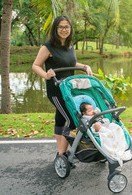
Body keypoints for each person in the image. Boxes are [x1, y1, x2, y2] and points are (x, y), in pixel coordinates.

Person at [32, 15, 93, 158]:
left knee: (60, 119)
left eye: (67, 27)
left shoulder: (70, 45)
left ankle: (61, 152)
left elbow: (70, 64)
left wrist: (84, 66)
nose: (64, 30)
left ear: (70, 28)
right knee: (72, 119)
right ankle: (62, 154)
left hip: (68, 89)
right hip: (56, 91)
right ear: (56, 28)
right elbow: (35, 65)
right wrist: (45, 75)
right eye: (61, 27)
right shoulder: (48, 47)